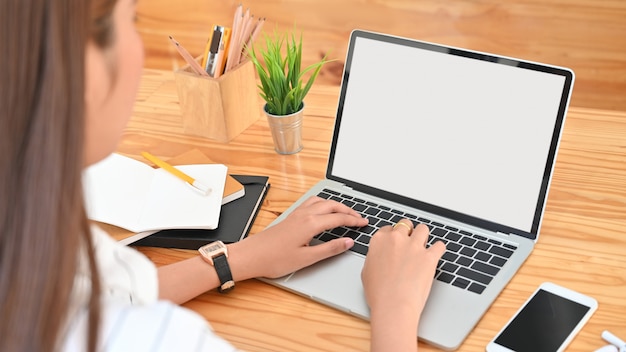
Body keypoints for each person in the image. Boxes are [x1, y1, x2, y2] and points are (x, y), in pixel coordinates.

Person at [0, 0, 446, 351]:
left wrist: (240, 257)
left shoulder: (31, 235)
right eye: (130, 18)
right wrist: (396, 311)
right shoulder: (155, 340)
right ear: (84, 69)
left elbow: (106, 290)